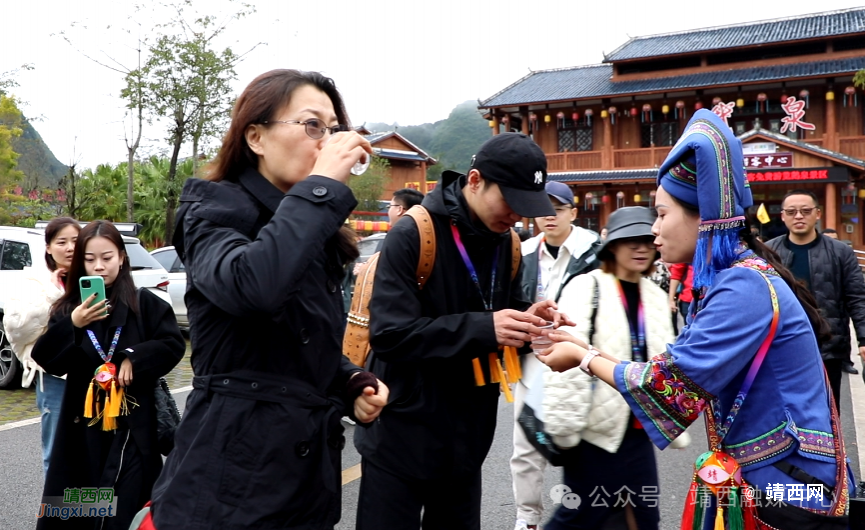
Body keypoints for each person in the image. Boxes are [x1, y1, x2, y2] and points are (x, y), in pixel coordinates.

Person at [538, 110, 853, 528]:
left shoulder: (744, 286)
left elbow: (670, 386)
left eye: (662, 214)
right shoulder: (738, 277)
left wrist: (582, 358)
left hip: (790, 484)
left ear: (705, 218)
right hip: (780, 473)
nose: (653, 231)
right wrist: (585, 349)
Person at [147, 69, 388, 530]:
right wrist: (321, 188)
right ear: (256, 137)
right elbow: (254, 289)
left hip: (305, 479)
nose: (327, 140)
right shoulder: (213, 210)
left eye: (334, 129)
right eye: (312, 124)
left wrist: (349, 382)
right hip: (229, 483)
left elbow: (292, 345)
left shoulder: (314, 230)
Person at [354, 132, 571, 530]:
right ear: (474, 181)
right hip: (402, 435)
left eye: (526, 207)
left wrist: (531, 322)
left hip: (467, 440)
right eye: (510, 201)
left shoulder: (507, 243)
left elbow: (496, 319)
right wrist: (487, 327)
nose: (516, 216)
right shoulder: (414, 232)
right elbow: (390, 335)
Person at [31, 221, 185, 530]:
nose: (99, 267)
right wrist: (72, 324)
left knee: (126, 513)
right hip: (83, 434)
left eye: (107, 257)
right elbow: (46, 358)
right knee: (82, 514)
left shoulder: (146, 304)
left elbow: (172, 344)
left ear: (122, 258)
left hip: (132, 431)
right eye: (89, 259)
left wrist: (134, 358)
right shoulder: (69, 309)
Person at [542, 206, 674, 530]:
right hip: (593, 432)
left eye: (646, 240)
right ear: (612, 245)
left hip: (638, 429)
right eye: (631, 240)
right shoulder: (586, 286)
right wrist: (564, 429)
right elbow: (566, 357)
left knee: (643, 516)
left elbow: (666, 365)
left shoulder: (655, 295)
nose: (641, 248)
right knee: (580, 514)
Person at [511, 180, 602, 530]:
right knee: (527, 440)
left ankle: (585, 511)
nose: (549, 216)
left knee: (578, 438)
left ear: (573, 213)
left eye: (558, 208)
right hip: (534, 356)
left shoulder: (594, 250)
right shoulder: (522, 251)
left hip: (582, 357)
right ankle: (527, 517)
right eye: (543, 209)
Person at [765, 190, 865, 404]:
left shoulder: (840, 252)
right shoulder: (768, 252)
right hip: (782, 345)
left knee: (828, 408)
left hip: (828, 344)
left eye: (805, 211)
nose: (798, 216)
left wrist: (864, 339)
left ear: (817, 214)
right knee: (784, 409)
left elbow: (857, 297)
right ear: (782, 216)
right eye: (791, 212)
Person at [3, 217, 79, 478]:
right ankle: (58, 516)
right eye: (62, 242)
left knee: (92, 451)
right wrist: (56, 295)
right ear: (48, 247)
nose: (69, 247)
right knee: (57, 452)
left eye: (75, 241)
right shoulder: (35, 282)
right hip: (55, 377)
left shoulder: (93, 278)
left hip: (95, 376)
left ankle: (90, 514)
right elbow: (18, 327)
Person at [668, 261, 693, 334]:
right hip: (689, 300)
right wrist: (671, 299)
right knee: (691, 333)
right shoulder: (688, 250)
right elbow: (676, 273)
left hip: (715, 298)